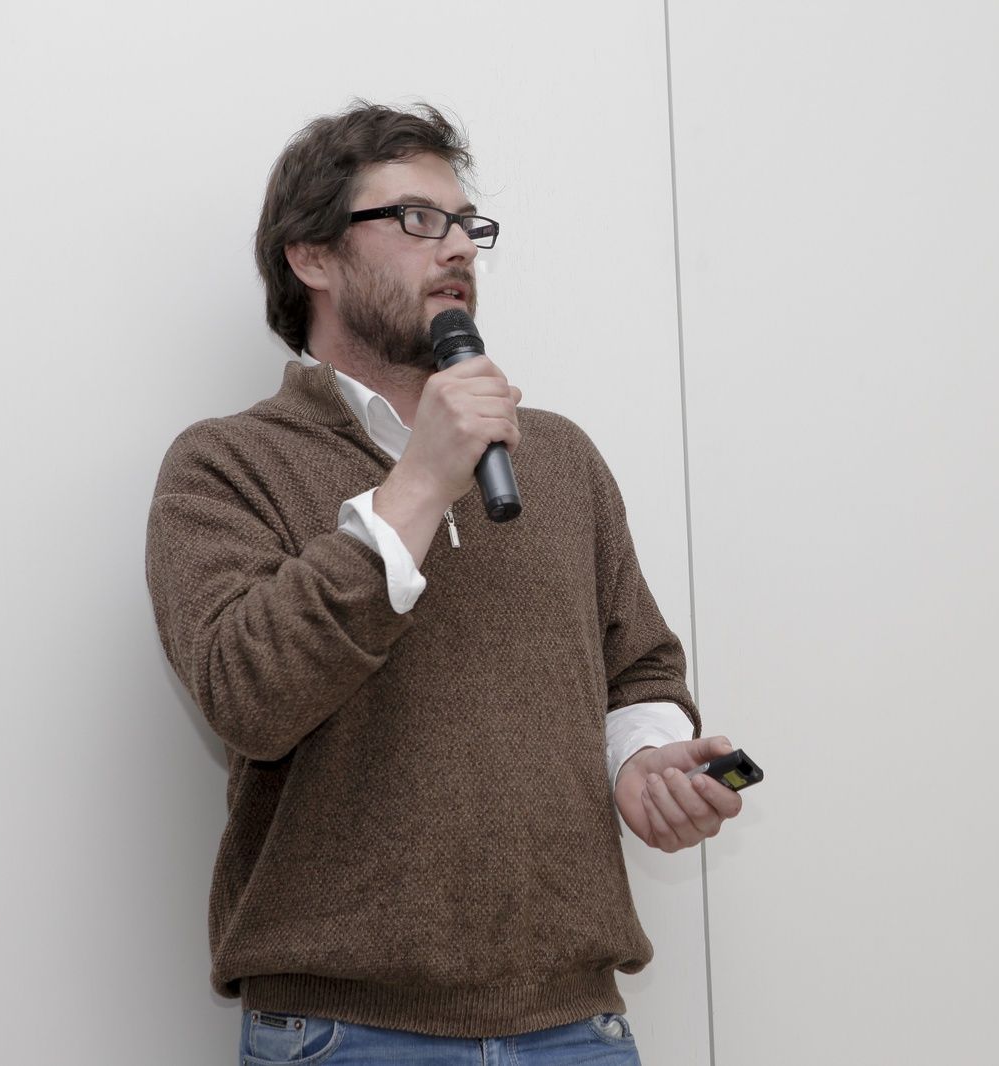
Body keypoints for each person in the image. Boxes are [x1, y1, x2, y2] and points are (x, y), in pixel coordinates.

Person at [144, 100, 742, 1064]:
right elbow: (246, 694)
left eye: (467, 224)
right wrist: (418, 484)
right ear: (312, 256)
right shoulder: (225, 465)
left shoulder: (559, 457)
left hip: (578, 1029)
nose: (458, 246)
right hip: (345, 1035)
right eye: (418, 219)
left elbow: (639, 670)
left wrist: (644, 761)